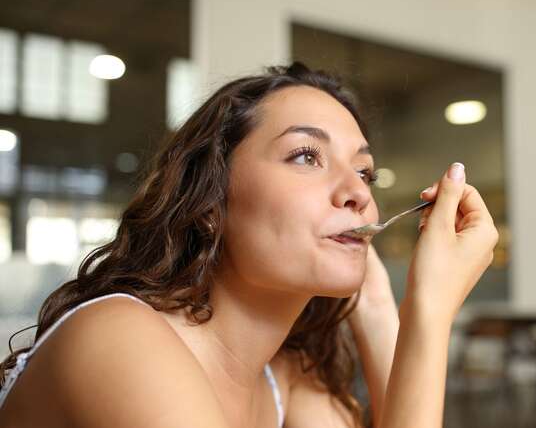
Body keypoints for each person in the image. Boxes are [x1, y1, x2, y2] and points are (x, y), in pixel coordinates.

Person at [0, 63, 498, 428]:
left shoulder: (288, 382)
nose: (359, 192)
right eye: (306, 155)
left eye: (364, 171)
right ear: (212, 197)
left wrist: (379, 308)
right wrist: (428, 314)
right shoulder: (119, 340)